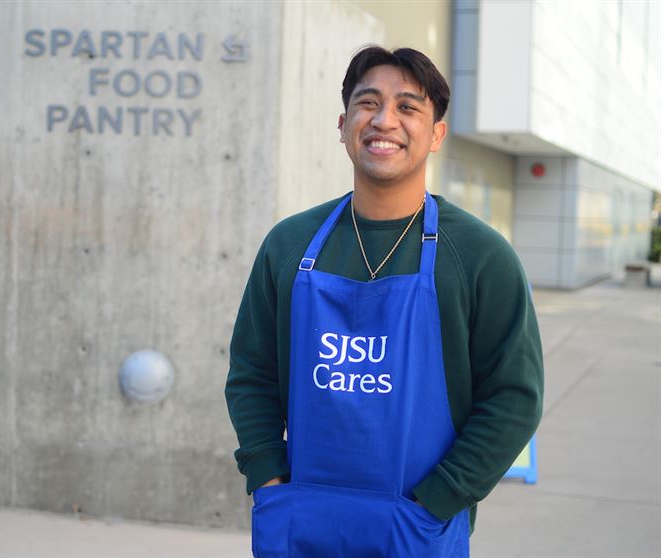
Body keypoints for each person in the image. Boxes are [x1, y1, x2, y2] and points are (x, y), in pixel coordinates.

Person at [224, 45, 544, 557]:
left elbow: (514, 397)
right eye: (367, 103)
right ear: (344, 122)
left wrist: (440, 498)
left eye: (408, 107)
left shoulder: (481, 256)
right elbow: (251, 372)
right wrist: (267, 475)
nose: (384, 120)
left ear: (437, 132)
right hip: (300, 519)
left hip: (417, 524)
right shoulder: (290, 244)